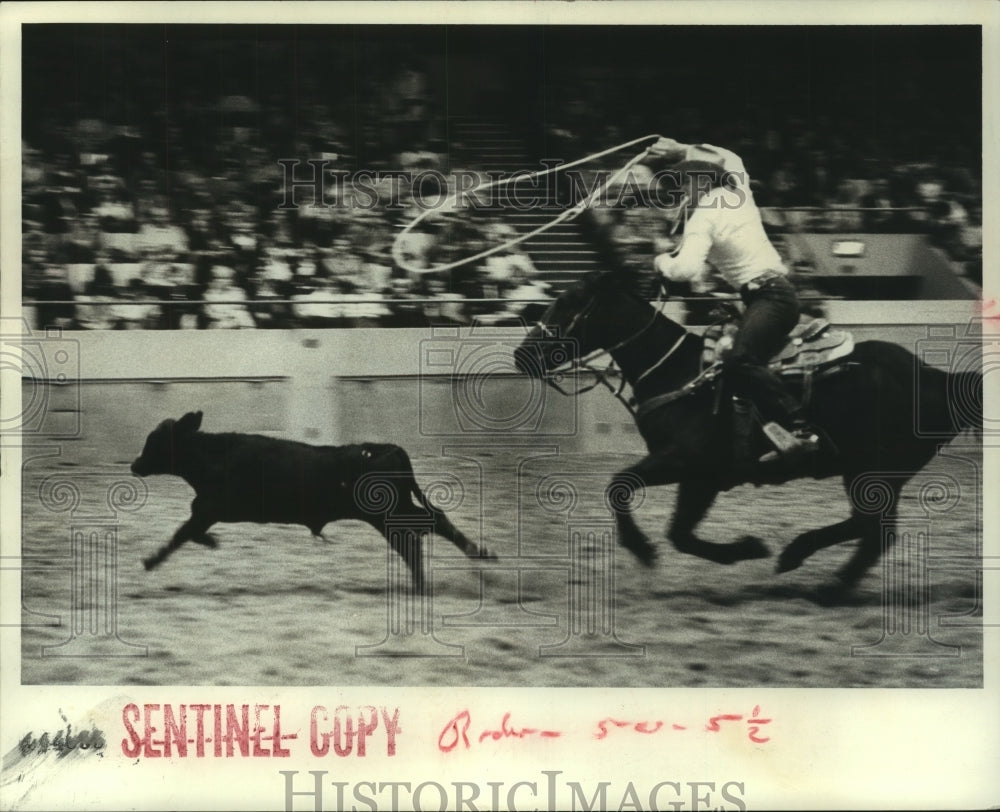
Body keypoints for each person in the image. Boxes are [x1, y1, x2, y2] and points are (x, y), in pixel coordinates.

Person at [646, 137, 818, 461]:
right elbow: (732, 156)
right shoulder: (738, 191)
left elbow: (685, 269)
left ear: (701, 181)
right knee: (724, 355)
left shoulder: (703, 218)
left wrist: (660, 261)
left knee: (740, 360)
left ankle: (802, 427)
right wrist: (681, 148)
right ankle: (751, 434)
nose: (682, 189)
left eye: (685, 181)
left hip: (768, 297)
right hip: (771, 294)